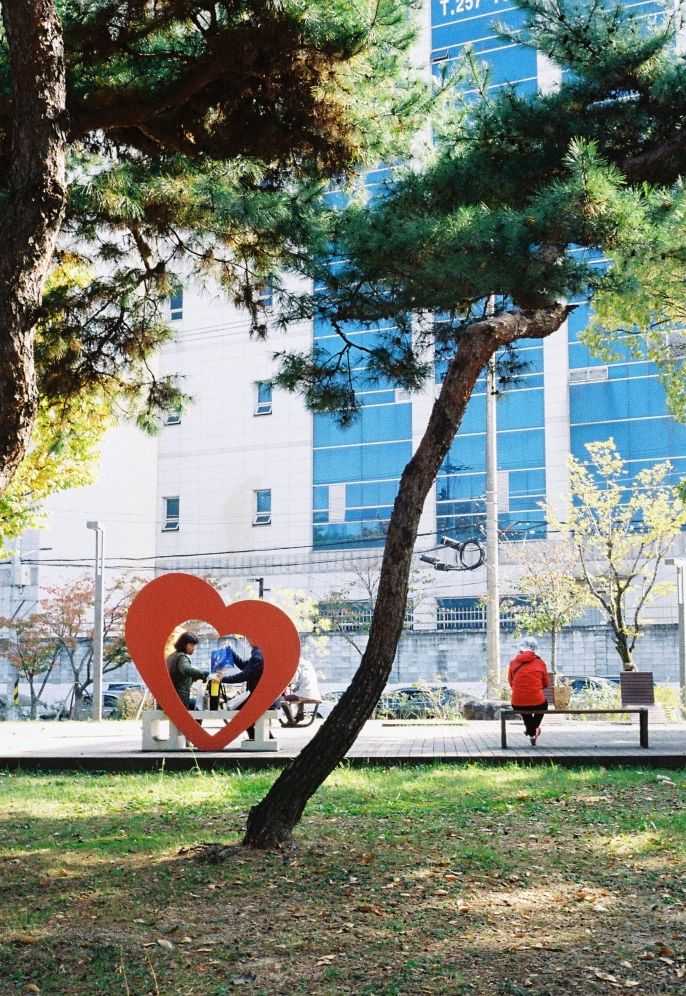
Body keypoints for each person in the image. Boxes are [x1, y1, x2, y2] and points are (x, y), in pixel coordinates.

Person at [215, 643, 278, 739]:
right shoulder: (260, 652)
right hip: (265, 697)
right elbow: (245, 666)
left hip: (261, 698)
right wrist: (231, 651)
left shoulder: (258, 654)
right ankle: (263, 737)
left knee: (241, 711)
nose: (248, 640)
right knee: (243, 712)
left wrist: (224, 679)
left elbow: (246, 675)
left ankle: (257, 737)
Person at [508, 636, 550, 746]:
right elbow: (546, 684)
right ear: (534, 650)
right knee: (543, 705)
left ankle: (531, 732)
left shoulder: (513, 663)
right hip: (537, 702)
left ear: (520, 650)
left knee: (524, 710)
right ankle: (533, 730)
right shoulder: (540, 663)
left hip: (517, 702)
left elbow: (511, 683)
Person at [167, 632, 209, 711]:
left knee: (197, 704)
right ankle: (196, 724)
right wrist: (204, 674)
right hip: (180, 699)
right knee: (200, 706)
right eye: (191, 645)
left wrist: (192, 678)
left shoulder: (171, 656)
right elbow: (186, 669)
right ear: (184, 644)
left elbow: (177, 676)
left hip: (170, 698)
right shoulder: (181, 656)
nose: (194, 648)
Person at [281, 658, 322, 725]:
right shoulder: (307, 665)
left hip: (305, 693)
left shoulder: (297, 665)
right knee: (297, 693)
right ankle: (300, 714)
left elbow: (293, 680)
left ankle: (291, 720)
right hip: (313, 693)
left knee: (280, 700)